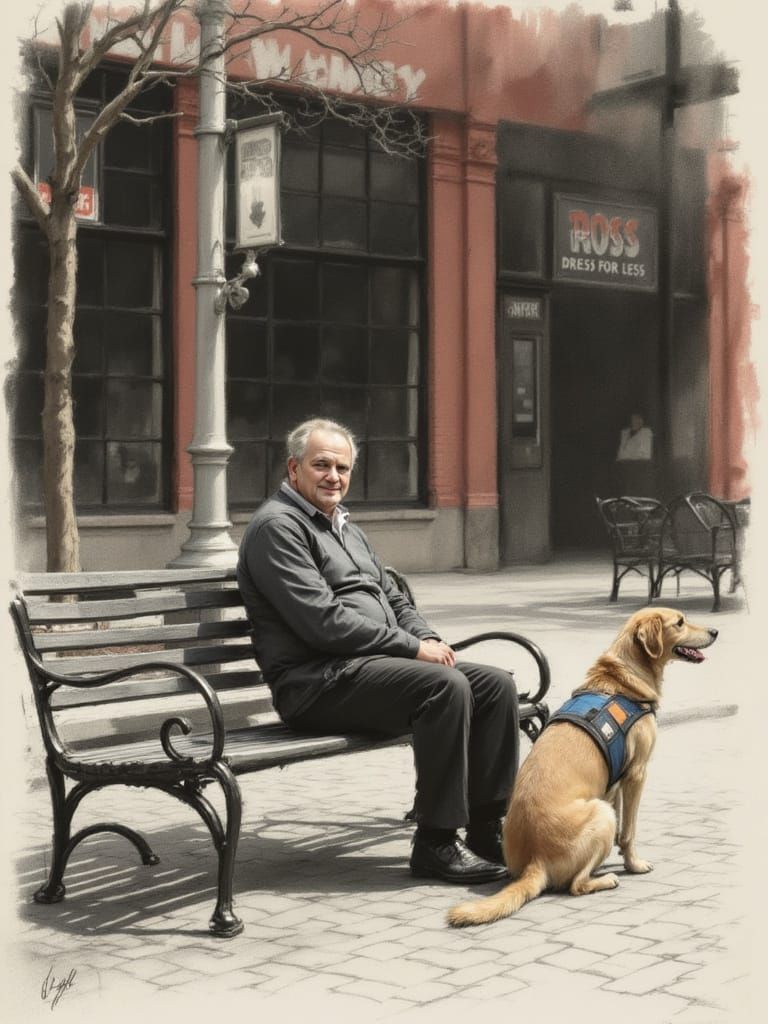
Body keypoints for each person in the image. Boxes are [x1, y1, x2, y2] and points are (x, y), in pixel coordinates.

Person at [236, 418, 519, 884]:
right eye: (321, 465)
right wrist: (411, 648)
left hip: (365, 669)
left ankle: (488, 829)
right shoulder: (277, 528)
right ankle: (436, 843)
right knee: (444, 687)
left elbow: (394, 597)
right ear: (293, 468)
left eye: (342, 468)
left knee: (494, 684)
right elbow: (322, 622)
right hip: (315, 683)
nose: (334, 477)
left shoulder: (345, 526)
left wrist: (426, 639)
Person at [616, 412, 655, 496]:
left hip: (640, 465)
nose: (635, 421)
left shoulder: (646, 432)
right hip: (623, 466)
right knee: (625, 491)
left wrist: (627, 457)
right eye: (633, 419)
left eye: (638, 418)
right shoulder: (625, 432)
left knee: (638, 490)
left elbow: (644, 453)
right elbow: (621, 450)